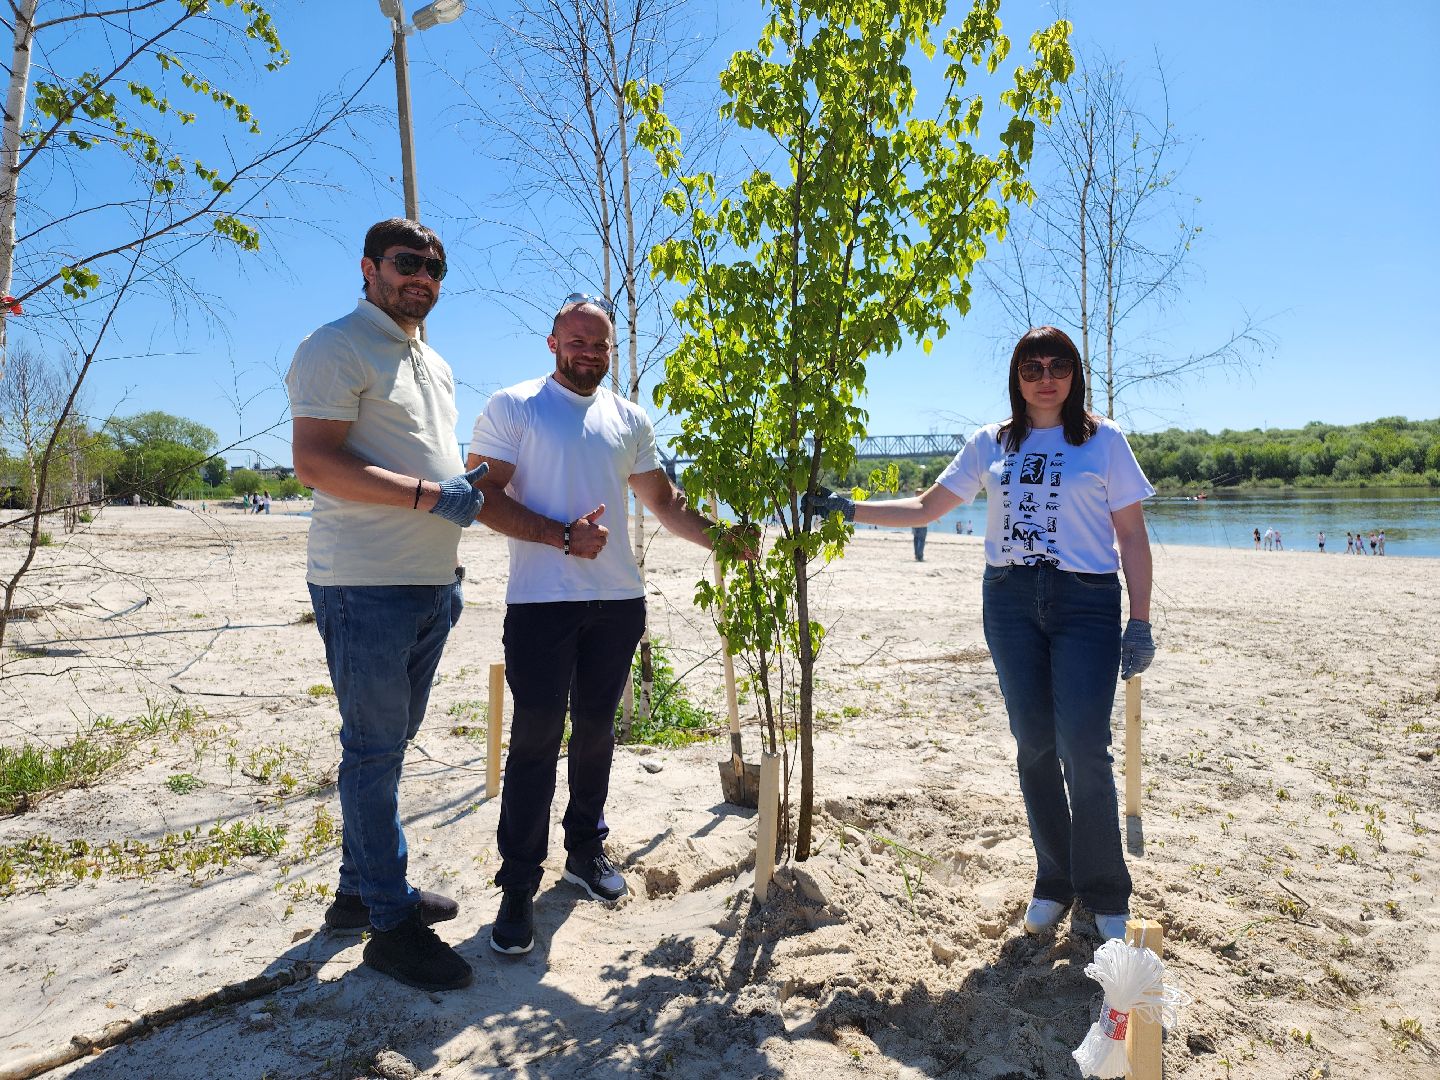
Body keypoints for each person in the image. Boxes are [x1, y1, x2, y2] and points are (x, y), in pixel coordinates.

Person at [806, 326, 1154, 943]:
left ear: (1075, 374)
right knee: (1035, 746)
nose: (1045, 376)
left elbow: (1130, 536)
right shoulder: (990, 443)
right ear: (1016, 377)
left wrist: (1140, 622)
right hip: (1011, 601)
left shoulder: (1104, 443)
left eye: (1058, 365)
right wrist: (846, 508)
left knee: (1083, 746)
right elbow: (924, 508)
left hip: (1086, 602)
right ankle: (1054, 881)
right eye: (1031, 366)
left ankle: (1104, 893)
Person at [467, 293, 756, 958]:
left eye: (600, 345)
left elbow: (664, 502)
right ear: (552, 342)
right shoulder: (513, 406)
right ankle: (517, 886)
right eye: (577, 341)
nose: (589, 353)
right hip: (541, 603)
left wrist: (723, 540)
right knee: (537, 738)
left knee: (596, 732)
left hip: (618, 603)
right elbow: (480, 495)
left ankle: (584, 852)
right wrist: (562, 537)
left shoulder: (629, 418)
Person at [285, 218, 487, 993]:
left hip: (432, 584)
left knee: (387, 749)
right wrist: (436, 493)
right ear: (368, 267)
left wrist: (469, 487)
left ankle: (355, 895)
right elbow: (314, 461)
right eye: (407, 264)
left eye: (436, 267)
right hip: (363, 584)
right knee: (373, 754)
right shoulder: (334, 345)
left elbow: (427, 465)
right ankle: (389, 929)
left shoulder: (430, 359)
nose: (423, 278)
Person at [911, 487, 928, 561]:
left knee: (916, 540)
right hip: (923, 524)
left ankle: (916, 555)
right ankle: (920, 556)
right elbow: (930, 512)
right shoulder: (925, 502)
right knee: (921, 540)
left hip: (914, 524)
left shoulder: (912, 502)